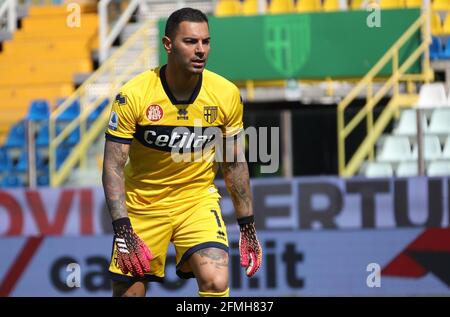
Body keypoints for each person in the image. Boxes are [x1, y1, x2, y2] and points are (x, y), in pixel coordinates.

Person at [102, 7, 262, 297]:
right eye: (190, 42)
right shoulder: (134, 96)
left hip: (196, 200)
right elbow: (113, 166)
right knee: (130, 294)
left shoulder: (225, 94)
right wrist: (123, 227)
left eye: (206, 41)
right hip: (142, 206)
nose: (201, 50)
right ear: (168, 45)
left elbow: (233, 163)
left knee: (216, 280)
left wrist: (247, 225)